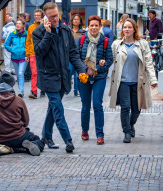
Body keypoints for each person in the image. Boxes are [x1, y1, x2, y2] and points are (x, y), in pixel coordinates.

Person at [32, 2, 89, 152]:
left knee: (52, 108)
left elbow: (73, 53)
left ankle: (45, 137)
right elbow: (39, 52)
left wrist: (81, 70)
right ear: (45, 16)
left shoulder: (65, 30)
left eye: (56, 15)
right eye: (51, 17)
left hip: (63, 76)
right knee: (58, 108)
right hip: (48, 78)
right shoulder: (38, 32)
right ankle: (68, 140)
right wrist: (48, 33)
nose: (55, 19)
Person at [110, 18, 157, 143]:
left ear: (134, 29)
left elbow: (148, 62)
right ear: (122, 29)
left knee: (136, 109)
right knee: (125, 107)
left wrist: (153, 79)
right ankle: (126, 132)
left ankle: (131, 124)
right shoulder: (116, 44)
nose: (127, 29)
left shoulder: (142, 44)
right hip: (123, 81)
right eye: (125, 27)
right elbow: (112, 61)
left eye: (129, 27)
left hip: (138, 82)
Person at [75, 15, 113, 145]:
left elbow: (109, 60)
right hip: (84, 77)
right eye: (92, 25)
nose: (94, 28)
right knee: (85, 106)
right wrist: (85, 69)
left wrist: (97, 68)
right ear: (88, 26)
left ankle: (100, 135)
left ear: (100, 27)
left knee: (97, 105)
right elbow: (75, 58)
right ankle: (84, 130)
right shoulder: (81, 40)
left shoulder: (106, 41)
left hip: (99, 77)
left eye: (96, 25)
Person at [0, 71, 45, 156]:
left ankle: (12, 149)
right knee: (37, 139)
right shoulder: (18, 100)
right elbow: (26, 122)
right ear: (12, 85)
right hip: (18, 136)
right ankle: (23, 148)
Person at [5, 19, 28, 98]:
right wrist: (12, 50)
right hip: (14, 57)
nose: (17, 25)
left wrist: (26, 52)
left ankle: (21, 91)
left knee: (21, 73)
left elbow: (29, 44)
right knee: (18, 74)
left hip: (23, 57)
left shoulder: (26, 34)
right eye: (17, 23)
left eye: (19, 24)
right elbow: (6, 44)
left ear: (23, 25)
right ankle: (20, 89)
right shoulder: (12, 34)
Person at [25, 9, 45, 99]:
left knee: (43, 72)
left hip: (43, 53)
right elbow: (28, 41)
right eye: (35, 15)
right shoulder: (31, 27)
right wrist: (27, 54)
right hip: (33, 53)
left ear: (42, 16)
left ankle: (43, 89)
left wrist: (42, 25)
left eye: (38, 15)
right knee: (34, 73)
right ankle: (34, 91)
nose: (37, 17)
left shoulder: (45, 26)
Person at [69, 14, 86, 97]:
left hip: (79, 55)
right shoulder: (68, 31)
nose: (76, 20)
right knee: (69, 71)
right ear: (72, 21)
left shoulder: (83, 32)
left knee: (77, 73)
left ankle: (77, 90)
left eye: (77, 19)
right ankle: (67, 87)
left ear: (80, 21)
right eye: (74, 19)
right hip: (69, 55)